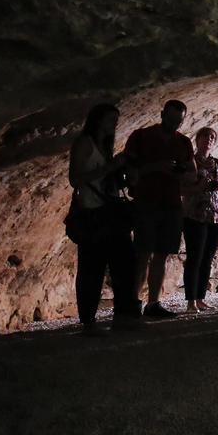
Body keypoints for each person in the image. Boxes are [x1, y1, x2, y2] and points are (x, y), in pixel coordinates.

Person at [67, 103, 141, 335]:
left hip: (111, 214)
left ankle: (122, 317)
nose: (114, 125)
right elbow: (75, 179)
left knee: (125, 265)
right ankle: (88, 323)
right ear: (97, 121)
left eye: (115, 121)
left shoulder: (104, 146)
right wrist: (110, 167)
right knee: (92, 269)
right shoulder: (84, 143)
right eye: (110, 120)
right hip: (93, 214)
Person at [122, 99, 196, 319]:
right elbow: (129, 172)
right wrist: (156, 167)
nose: (173, 125)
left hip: (171, 203)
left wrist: (180, 173)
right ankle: (134, 302)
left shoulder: (183, 143)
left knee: (162, 254)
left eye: (178, 122)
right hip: (146, 201)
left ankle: (153, 303)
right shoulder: (141, 137)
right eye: (170, 119)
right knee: (143, 252)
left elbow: (192, 174)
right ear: (162, 114)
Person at [180, 126, 218, 313]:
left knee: (207, 259)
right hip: (195, 215)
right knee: (194, 258)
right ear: (197, 138)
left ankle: (201, 298)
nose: (209, 139)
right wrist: (200, 186)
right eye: (205, 136)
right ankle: (191, 301)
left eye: (212, 137)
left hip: (217, 216)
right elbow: (182, 190)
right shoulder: (189, 162)